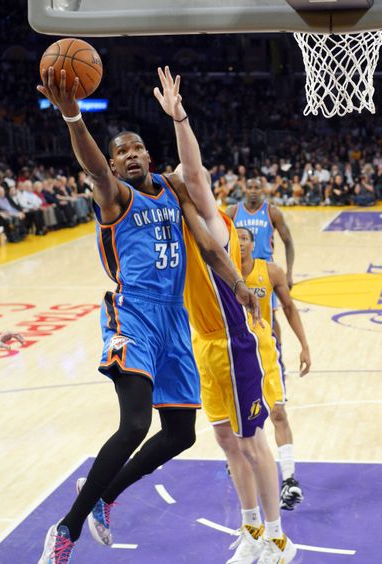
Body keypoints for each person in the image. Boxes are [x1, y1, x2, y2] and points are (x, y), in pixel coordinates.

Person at [36, 66, 258, 564]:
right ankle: (66, 528)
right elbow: (91, 167)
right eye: (121, 152)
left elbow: (207, 246)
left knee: (181, 433)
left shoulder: (172, 191)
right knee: (135, 425)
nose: (129, 155)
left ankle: (107, 494)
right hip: (132, 314)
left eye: (136, 148)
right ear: (114, 166)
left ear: (148, 156)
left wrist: (240, 285)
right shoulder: (114, 196)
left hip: (174, 321)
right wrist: (73, 116)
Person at [154, 66, 296, 564]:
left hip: (234, 338)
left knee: (251, 439)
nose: (195, 181)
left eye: (201, 181)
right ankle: (252, 529)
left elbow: (191, 170)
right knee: (223, 439)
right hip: (203, 342)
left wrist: (179, 118)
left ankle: (279, 538)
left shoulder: (214, 219)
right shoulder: (178, 226)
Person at [226, 177, 301, 510]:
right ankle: (240, 458)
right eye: (250, 187)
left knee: (267, 324)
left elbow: (288, 241)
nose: (253, 191)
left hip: (261, 278)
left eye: (258, 187)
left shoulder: (272, 213)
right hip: (235, 277)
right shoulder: (230, 211)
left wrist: (292, 270)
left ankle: (287, 480)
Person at [237, 226, 311, 510]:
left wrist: (304, 345)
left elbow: (290, 308)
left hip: (267, 351)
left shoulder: (271, 272)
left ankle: (289, 479)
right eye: (237, 238)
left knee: (278, 412)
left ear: (254, 244)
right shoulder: (221, 272)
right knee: (242, 421)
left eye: (246, 238)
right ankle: (245, 463)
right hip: (234, 356)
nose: (241, 242)